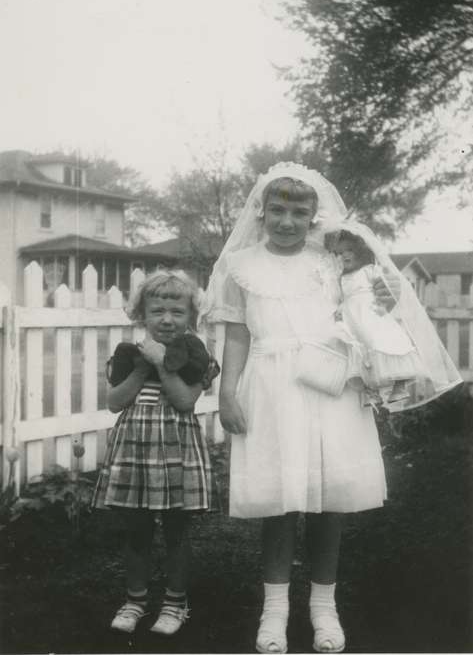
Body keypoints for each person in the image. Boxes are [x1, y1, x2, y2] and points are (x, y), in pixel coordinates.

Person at [200, 162, 461, 654]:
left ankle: (324, 608)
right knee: (279, 504)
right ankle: (274, 612)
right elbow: (236, 333)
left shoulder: (331, 260)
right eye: (277, 210)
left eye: (299, 212)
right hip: (271, 387)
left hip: (329, 385)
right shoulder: (240, 266)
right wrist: (227, 392)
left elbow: (363, 314)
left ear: (314, 216)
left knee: (329, 503)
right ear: (261, 212)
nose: (287, 221)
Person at [92, 269, 219, 636]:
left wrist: (163, 363)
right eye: (158, 311)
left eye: (177, 312)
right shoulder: (128, 353)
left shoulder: (196, 356)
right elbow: (115, 403)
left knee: (177, 530)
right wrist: (142, 365)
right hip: (135, 449)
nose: (167, 319)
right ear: (142, 315)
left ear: (191, 317)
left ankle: (175, 604)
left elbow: (183, 401)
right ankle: (135, 600)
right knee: (137, 529)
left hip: (176, 449)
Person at [326, 228, 425, 406]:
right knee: (357, 350)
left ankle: (398, 387)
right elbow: (339, 297)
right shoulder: (340, 278)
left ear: (360, 251)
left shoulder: (368, 270)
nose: (344, 256)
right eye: (339, 253)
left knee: (381, 342)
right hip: (351, 317)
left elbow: (386, 283)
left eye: (349, 250)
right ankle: (371, 393)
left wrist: (385, 299)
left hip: (370, 312)